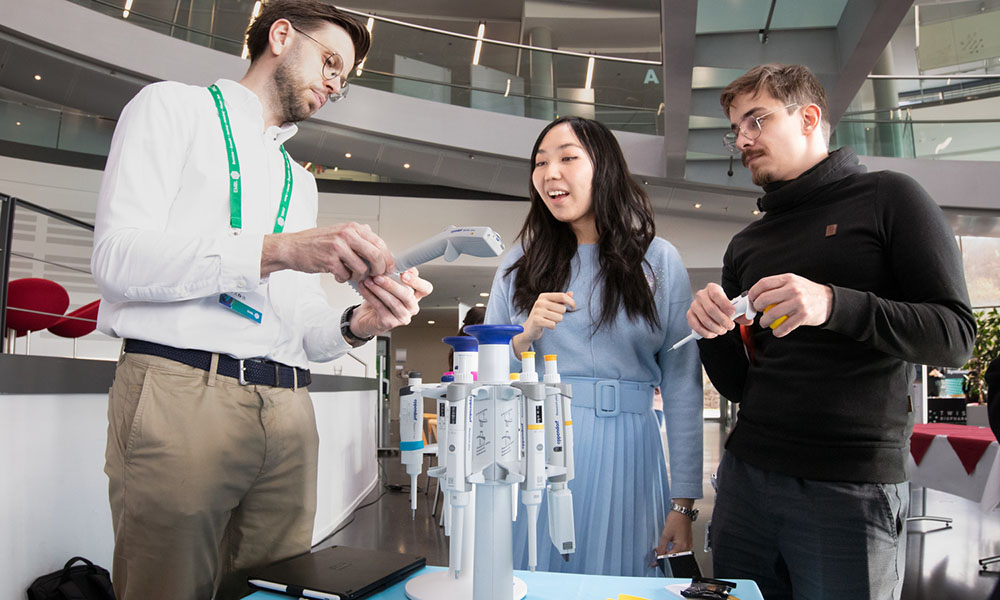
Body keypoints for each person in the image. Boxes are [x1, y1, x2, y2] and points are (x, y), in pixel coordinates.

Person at [90, 2, 431, 599]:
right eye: (329, 61)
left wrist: (359, 322)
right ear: (279, 35)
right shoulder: (172, 108)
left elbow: (299, 325)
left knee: (277, 591)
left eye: (342, 79)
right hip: (180, 390)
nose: (333, 82)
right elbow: (117, 261)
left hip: (288, 408)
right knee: (164, 588)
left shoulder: (299, 179)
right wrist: (275, 250)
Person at [687, 64, 976, 600]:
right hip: (747, 478)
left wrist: (833, 303)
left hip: (851, 485)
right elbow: (740, 386)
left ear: (809, 117)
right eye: (736, 128)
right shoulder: (746, 245)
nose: (742, 139)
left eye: (757, 119)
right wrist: (713, 332)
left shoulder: (889, 198)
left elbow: (956, 336)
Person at [486, 116, 703, 576]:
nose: (550, 173)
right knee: (538, 575)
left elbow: (683, 383)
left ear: (603, 168)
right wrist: (523, 337)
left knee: (623, 575)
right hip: (540, 447)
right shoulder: (518, 264)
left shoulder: (658, 259)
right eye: (541, 162)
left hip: (631, 448)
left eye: (568, 158)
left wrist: (682, 504)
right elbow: (487, 380)